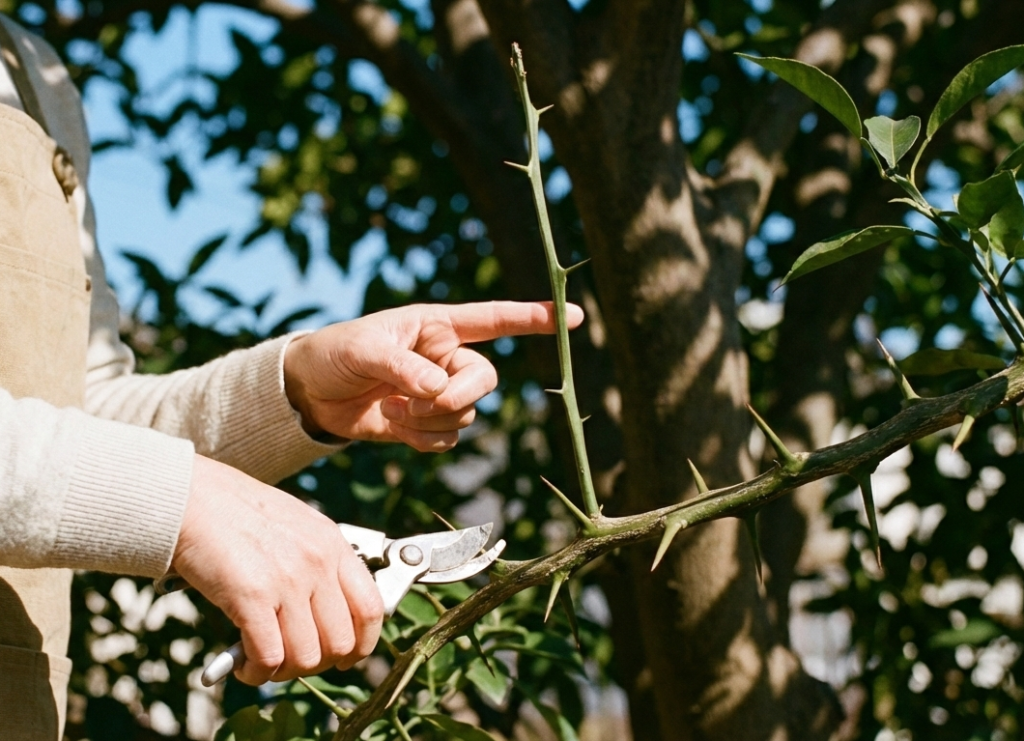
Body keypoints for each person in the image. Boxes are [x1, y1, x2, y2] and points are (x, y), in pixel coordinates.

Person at [0, 13, 583, 740]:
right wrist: (179, 501)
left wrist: (295, 388)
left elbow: (77, 415)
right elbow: (131, 482)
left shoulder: (32, 73)